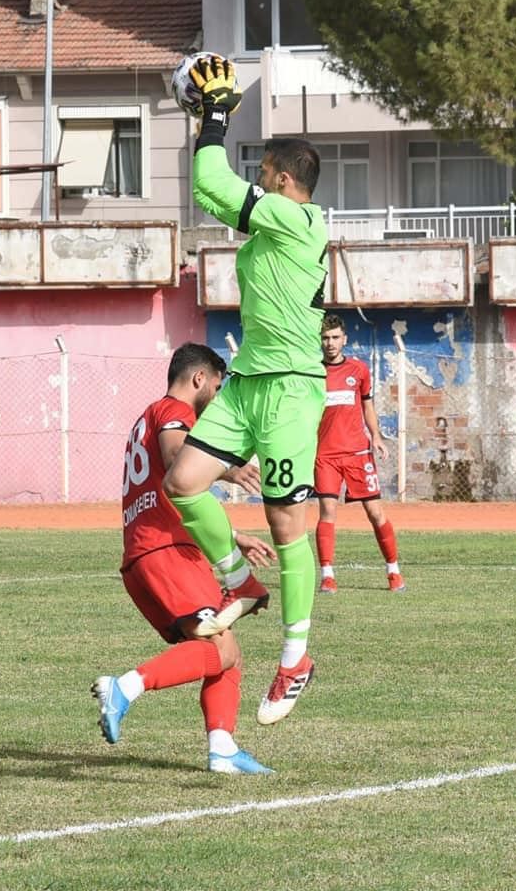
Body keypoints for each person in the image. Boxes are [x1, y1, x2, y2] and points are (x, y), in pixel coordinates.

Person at [163, 55, 329, 726]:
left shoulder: (297, 219)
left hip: (289, 389)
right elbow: (210, 194)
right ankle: (239, 579)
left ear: (283, 181)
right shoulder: (273, 224)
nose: (255, 179)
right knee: (184, 482)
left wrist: (214, 118)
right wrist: (207, 122)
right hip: (248, 381)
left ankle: (295, 659)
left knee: (287, 523)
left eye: (261, 172)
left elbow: (211, 181)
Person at [92, 342, 277, 774]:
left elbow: (168, 490)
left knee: (227, 651)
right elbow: (178, 462)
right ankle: (124, 688)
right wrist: (230, 468)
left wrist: (232, 536)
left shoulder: (147, 417)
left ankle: (223, 748)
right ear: (199, 379)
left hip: (145, 553)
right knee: (219, 649)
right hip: (168, 551)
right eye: (217, 386)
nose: (217, 395)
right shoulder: (176, 412)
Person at [313, 314, 406, 594]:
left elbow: (367, 405)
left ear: (344, 339)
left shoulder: (359, 370)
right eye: (325, 338)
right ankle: (327, 575)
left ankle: (393, 571)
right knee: (327, 511)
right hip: (325, 456)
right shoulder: (312, 372)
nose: (330, 343)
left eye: (335, 337)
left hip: (357, 453)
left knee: (375, 512)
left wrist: (376, 436)